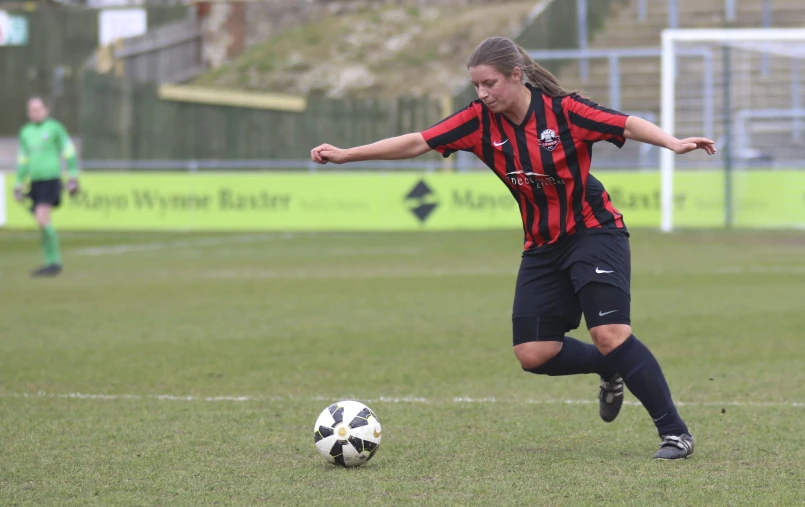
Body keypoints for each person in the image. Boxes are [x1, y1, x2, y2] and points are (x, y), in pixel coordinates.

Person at [310, 36, 716, 460]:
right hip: (542, 244)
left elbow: (627, 124)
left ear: (516, 76)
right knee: (533, 353)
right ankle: (607, 366)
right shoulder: (477, 121)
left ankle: (675, 434)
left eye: (490, 84)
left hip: (594, 231)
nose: (483, 94)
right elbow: (418, 141)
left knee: (610, 333)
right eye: (476, 87)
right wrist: (346, 155)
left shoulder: (564, 111)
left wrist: (671, 142)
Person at [14, 96, 80, 277]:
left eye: (38, 109)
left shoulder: (54, 128)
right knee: (41, 221)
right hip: (34, 182)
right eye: (31, 110)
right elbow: (23, 160)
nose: (34, 113)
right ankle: (51, 262)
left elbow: (69, 151)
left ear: (46, 110)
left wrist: (72, 176)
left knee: (42, 218)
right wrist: (18, 183)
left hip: (51, 179)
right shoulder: (25, 132)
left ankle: (54, 262)